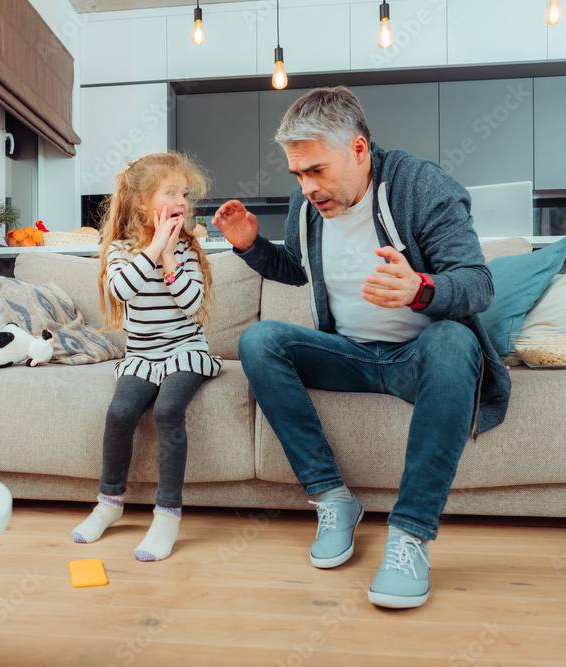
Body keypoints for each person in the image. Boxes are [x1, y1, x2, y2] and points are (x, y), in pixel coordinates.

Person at [212, 87, 511, 608]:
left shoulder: (421, 186)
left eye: (317, 171)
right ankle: (332, 498)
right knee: (260, 339)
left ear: (358, 150)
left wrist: (422, 289)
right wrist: (251, 247)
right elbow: (299, 270)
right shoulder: (309, 205)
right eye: (298, 175)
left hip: (418, 360)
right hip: (348, 353)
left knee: (452, 338)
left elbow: (478, 283)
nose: (307, 187)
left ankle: (410, 537)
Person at [72, 152, 220, 562]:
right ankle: (109, 504)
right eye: (169, 192)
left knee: (168, 411)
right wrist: (155, 248)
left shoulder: (187, 250)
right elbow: (119, 291)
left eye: (184, 193)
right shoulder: (121, 250)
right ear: (142, 203)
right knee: (120, 414)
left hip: (185, 350)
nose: (181, 201)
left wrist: (171, 255)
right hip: (142, 355)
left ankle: (168, 515)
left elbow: (192, 304)